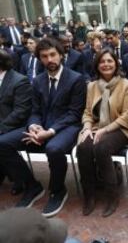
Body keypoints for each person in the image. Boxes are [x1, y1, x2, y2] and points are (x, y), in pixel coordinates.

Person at [0, 38, 87, 217]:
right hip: (42, 126)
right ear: (40, 59)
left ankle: (58, 190)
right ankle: (32, 186)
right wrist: (34, 125)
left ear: (61, 55)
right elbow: (34, 110)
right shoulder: (38, 80)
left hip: (67, 127)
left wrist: (50, 132)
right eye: (44, 56)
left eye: (53, 55)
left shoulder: (76, 79)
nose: (49, 60)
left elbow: (74, 113)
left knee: (53, 148)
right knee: (3, 143)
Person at [77, 49, 128, 217]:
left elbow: (127, 115)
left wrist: (104, 130)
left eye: (110, 61)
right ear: (97, 65)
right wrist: (87, 128)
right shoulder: (92, 86)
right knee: (83, 148)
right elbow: (88, 112)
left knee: (101, 148)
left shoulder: (126, 85)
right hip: (97, 127)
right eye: (102, 61)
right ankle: (89, 195)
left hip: (122, 128)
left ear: (116, 63)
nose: (106, 64)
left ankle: (112, 196)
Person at [0, 49, 32, 194]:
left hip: (17, 125)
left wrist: (1, 128)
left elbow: (21, 112)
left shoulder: (19, 81)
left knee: (1, 143)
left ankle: (24, 181)